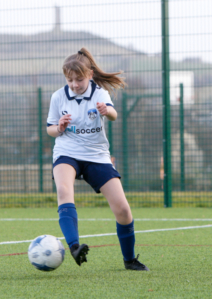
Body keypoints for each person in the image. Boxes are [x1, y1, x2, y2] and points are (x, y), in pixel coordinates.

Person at [46, 48, 149, 271]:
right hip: (67, 152)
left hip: (96, 155)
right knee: (64, 191)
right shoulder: (58, 96)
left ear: (90, 75)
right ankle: (74, 246)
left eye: (79, 79)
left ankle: (129, 259)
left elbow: (114, 115)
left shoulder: (99, 93)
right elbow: (50, 130)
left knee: (122, 209)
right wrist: (59, 127)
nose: (74, 84)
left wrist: (106, 110)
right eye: (70, 79)